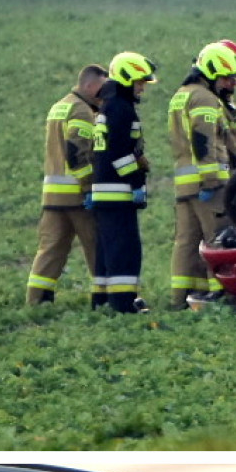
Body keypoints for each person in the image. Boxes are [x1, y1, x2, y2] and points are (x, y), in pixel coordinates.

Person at [167, 43, 236, 310]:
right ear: (212, 72)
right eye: (227, 78)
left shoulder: (182, 95)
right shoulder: (204, 99)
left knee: (187, 243)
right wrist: (213, 180)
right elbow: (205, 141)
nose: (232, 84)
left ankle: (181, 299)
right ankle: (223, 295)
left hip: (185, 185)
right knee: (218, 240)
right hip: (209, 184)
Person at [28, 65, 109, 307]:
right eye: (102, 88)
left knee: (50, 250)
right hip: (76, 196)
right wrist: (88, 187)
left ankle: (36, 301)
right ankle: (103, 299)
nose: (104, 95)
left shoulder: (58, 106)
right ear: (89, 85)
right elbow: (77, 152)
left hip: (53, 196)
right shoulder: (81, 110)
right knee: (97, 246)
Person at [91, 51, 157, 314]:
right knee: (125, 249)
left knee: (106, 249)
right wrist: (137, 181)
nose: (142, 88)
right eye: (140, 82)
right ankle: (122, 304)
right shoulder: (120, 108)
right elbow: (120, 154)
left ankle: (102, 300)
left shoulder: (109, 105)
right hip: (117, 191)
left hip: (104, 190)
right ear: (128, 79)